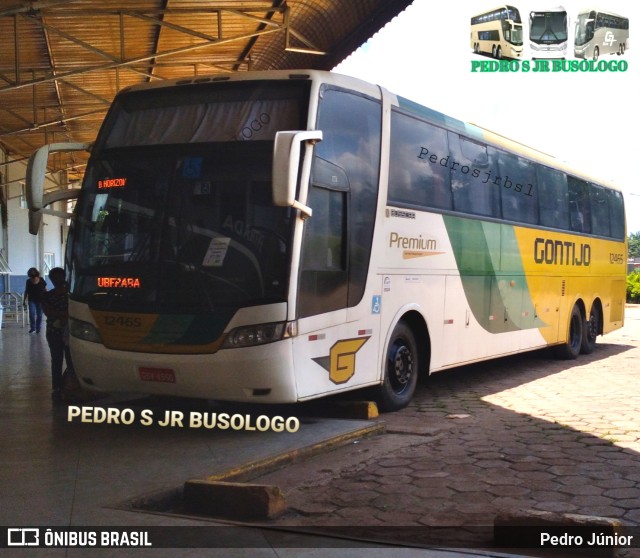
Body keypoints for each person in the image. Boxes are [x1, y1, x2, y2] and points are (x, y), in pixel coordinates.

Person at [41, 267, 74, 400]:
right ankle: (62, 386)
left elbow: (50, 312)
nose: (57, 281)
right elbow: (48, 312)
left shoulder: (69, 295)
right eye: (55, 278)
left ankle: (65, 386)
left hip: (62, 331)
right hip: (59, 332)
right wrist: (65, 315)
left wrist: (61, 315)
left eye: (58, 278)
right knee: (60, 359)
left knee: (66, 360)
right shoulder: (67, 295)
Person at [23, 267, 47, 333]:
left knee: (39, 315)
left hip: (40, 300)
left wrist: (47, 298)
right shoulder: (28, 281)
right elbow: (26, 291)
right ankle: (33, 328)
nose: (32, 276)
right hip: (31, 300)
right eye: (31, 274)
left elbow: (45, 289)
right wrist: (24, 300)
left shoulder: (41, 280)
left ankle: (38, 328)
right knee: (31, 314)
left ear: (36, 274)